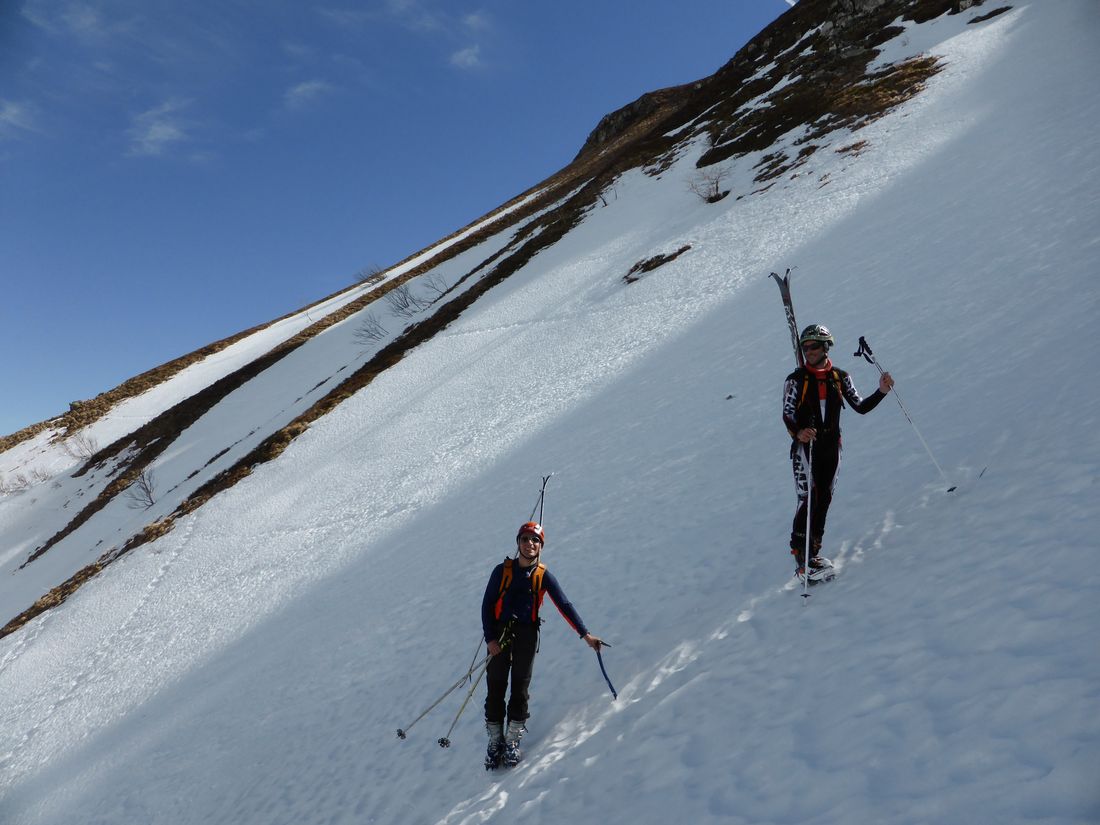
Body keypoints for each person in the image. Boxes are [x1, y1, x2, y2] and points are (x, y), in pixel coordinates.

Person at [481, 521, 602, 769]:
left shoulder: (543, 576)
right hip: (501, 635)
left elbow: (564, 605)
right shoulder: (501, 571)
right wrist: (491, 639)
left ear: (541, 546)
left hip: (527, 635)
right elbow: (487, 605)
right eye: (525, 539)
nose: (530, 544)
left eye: (535, 540)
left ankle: (512, 740)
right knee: (495, 686)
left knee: (520, 687)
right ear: (518, 543)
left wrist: (586, 635)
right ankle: (495, 741)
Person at [782, 324, 894, 577]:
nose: (808, 351)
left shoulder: (840, 377)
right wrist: (798, 432)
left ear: (825, 347)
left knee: (825, 499)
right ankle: (801, 559)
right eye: (805, 347)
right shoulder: (795, 380)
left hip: (832, 448)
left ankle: (815, 553)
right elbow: (787, 414)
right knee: (808, 497)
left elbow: (861, 406)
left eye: (813, 346)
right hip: (805, 448)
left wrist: (882, 391)